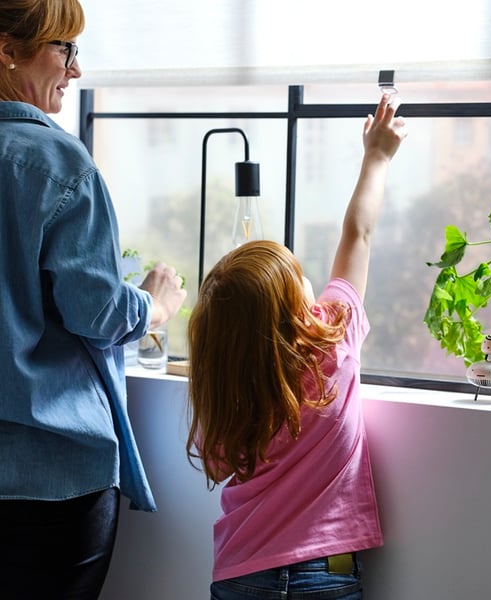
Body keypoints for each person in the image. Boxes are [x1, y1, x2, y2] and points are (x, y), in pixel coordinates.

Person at [186, 93, 407, 599]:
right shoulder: (333, 341)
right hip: (323, 573)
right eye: (299, 280)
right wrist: (377, 156)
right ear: (294, 307)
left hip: (239, 573)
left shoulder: (228, 388)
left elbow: (219, 466)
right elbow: (359, 233)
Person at [0, 1, 187, 598]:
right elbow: (98, 312)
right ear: (7, 50)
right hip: (50, 483)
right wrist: (154, 305)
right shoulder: (56, 163)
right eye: (65, 49)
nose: (77, 70)